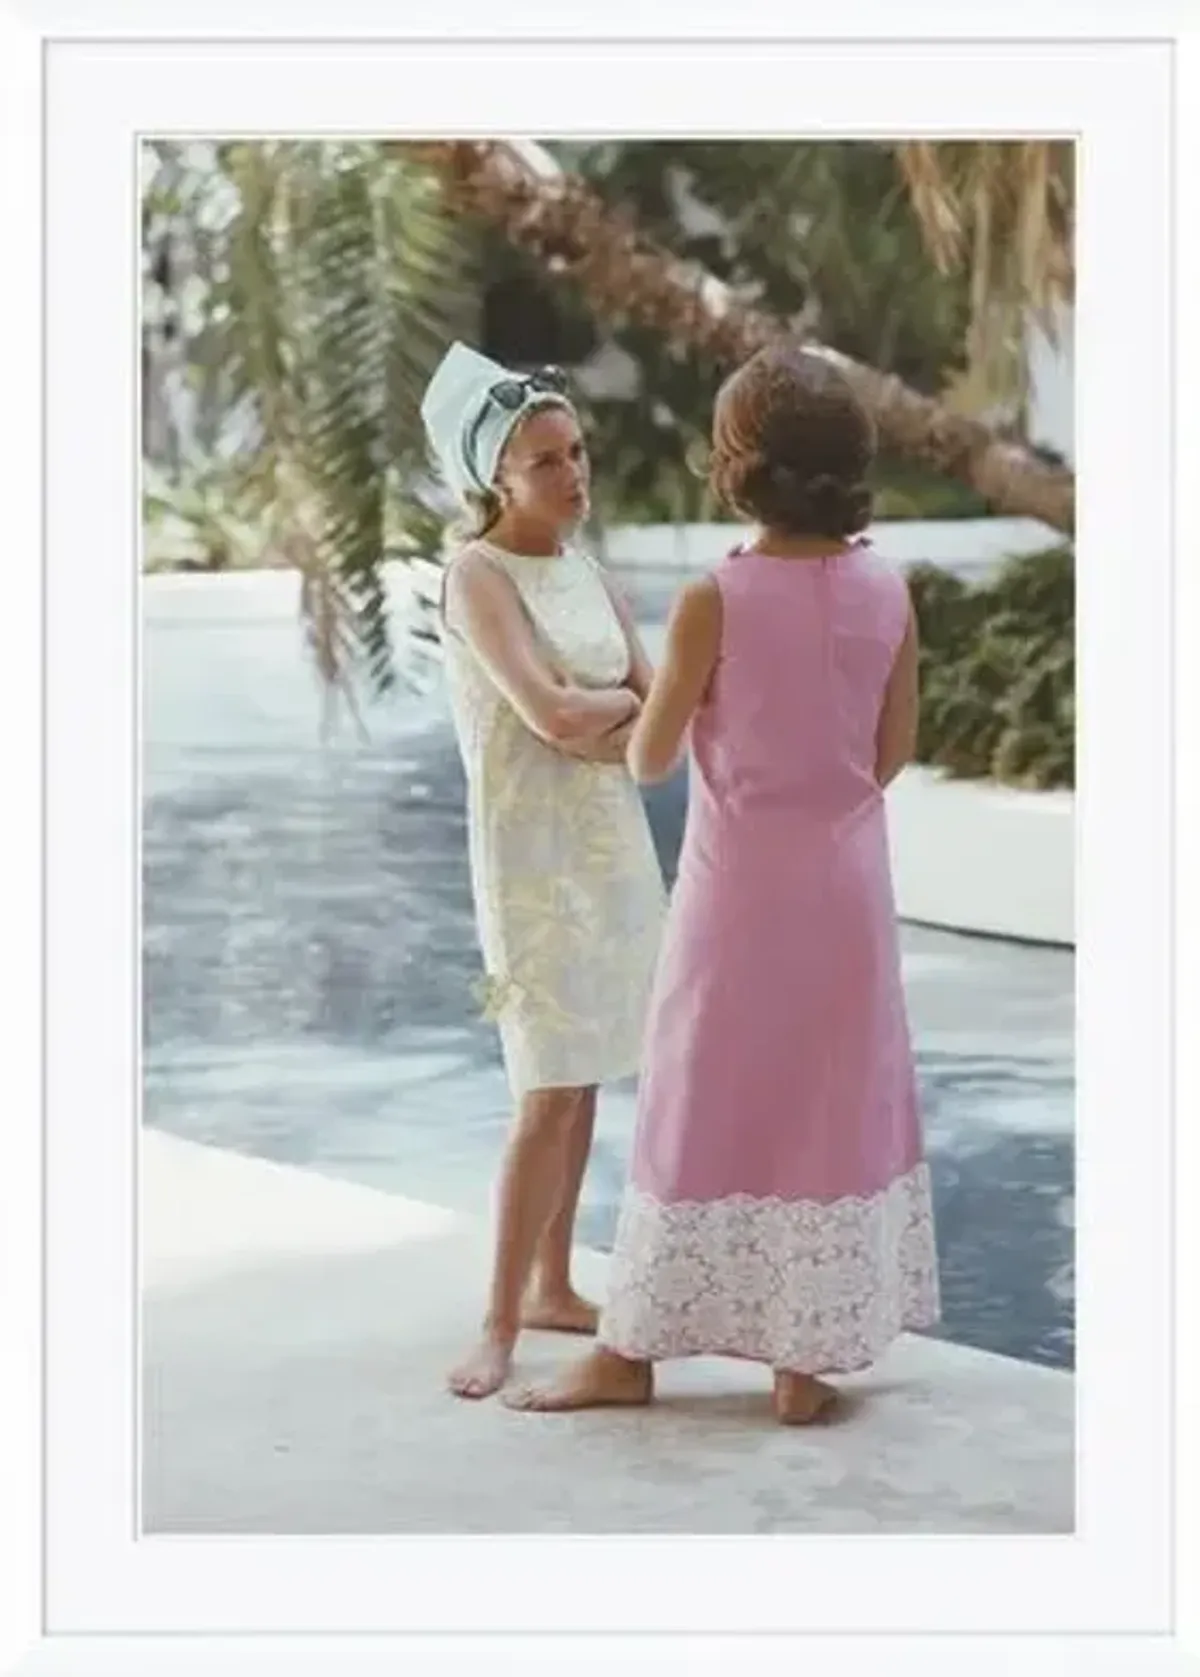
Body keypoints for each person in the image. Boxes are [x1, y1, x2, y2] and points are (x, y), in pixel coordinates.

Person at [505, 342, 941, 1424]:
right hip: (847, 894)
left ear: (738, 465)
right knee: (827, 1100)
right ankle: (804, 1362)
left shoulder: (716, 597)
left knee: (698, 1099)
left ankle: (631, 1353)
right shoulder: (889, 588)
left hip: (735, 897)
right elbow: (889, 754)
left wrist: (598, 703)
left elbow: (651, 756)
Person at [419, 343, 666, 1400]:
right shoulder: (476, 576)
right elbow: (552, 714)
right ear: (497, 480)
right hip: (531, 860)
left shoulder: (588, 572)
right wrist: (611, 711)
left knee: (588, 1069)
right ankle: (496, 1323)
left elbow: (661, 715)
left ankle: (554, 1284)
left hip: (612, 848)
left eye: (577, 453)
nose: (575, 476)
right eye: (548, 462)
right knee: (543, 1083)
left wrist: (609, 713)